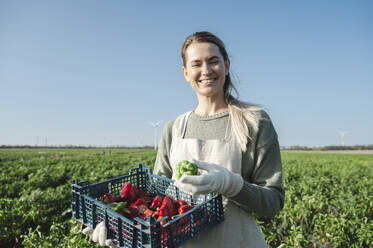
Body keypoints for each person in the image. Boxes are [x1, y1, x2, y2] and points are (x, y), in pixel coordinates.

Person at [83, 31, 284, 248]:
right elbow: (155, 202)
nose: (206, 70)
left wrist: (232, 184)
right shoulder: (173, 129)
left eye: (213, 61)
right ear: (185, 72)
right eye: (196, 64)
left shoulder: (254, 121)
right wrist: (121, 229)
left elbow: (273, 203)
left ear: (226, 65)